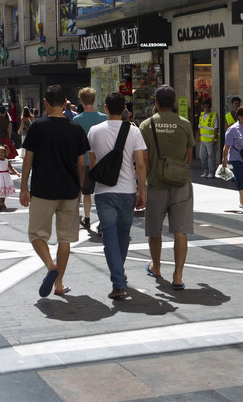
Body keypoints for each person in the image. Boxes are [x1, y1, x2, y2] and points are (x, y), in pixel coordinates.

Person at [19, 85, 89, 297]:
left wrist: (24, 187)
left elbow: (27, 161)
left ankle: (50, 266)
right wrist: (79, 187)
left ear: (46, 102)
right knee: (65, 239)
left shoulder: (37, 127)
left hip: (43, 190)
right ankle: (59, 284)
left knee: (36, 235)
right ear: (66, 102)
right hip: (68, 190)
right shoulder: (76, 128)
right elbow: (81, 164)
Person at [87, 92, 147, 300]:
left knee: (109, 237)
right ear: (124, 110)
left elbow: (93, 164)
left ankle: (118, 281)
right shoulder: (133, 131)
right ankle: (119, 277)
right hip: (128, 190)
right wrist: (142, 191)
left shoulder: (94, 131)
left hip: (104, 191)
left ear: (105, 108)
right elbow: (140, 163)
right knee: (123, 235)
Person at [139, 85, 195, 290]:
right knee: (180, 231)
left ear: (155, 102)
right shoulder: (185, 125)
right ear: (173, 102)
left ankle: (156, 267)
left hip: (156, 185)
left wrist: (141, 189)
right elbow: (189, 159)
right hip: (180, 184)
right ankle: (178, 276)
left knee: (154, 230)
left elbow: (143, 161)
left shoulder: (146, 125)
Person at [73, 87, 108, 233]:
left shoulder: (76, 120)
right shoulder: (104, 118)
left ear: (81, 101)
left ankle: (87, 218)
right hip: (101, 161)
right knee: (102, 193)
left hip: (84, 161)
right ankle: (101, 222)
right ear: (94, 100)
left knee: (86, 192)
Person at [0, 145, 20, 212]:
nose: (1, 154)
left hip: (6, 176)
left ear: (5, 153)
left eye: (2, 152)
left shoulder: (7, 161)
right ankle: (0, 203)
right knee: (0, 190)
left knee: (4, 191)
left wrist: (16, 173)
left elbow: (11, 168)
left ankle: (3, 203)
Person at [195, 99, 219, 179]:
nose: (207, 109)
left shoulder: (214, 115)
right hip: (203, 140)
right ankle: (205, 171)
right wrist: (197, 137)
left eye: (208, 107)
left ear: (210, 107)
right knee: (202, 156)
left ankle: (211, 172)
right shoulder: (201, 115)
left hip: (210, 140)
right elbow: (199, 127)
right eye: (205, 107)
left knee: (211, 157)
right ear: (203, 107)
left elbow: (216, 128)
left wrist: (215, 139)